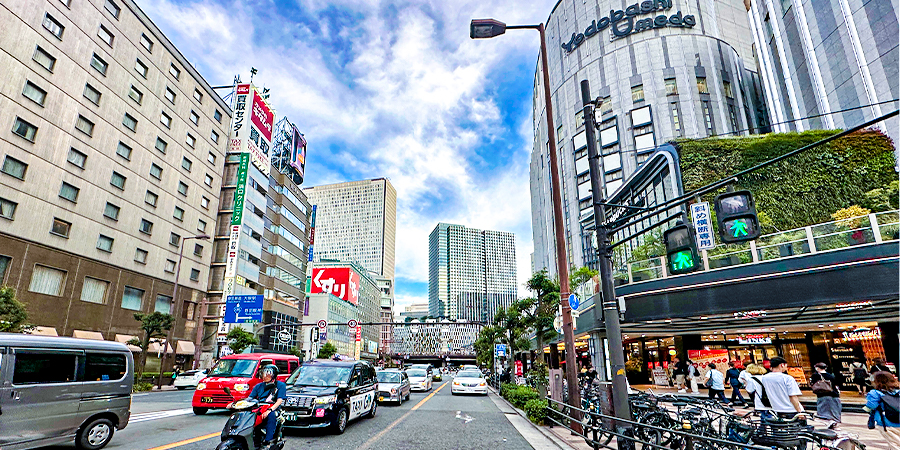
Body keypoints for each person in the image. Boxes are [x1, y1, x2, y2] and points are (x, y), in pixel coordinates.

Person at [231, 364, 286, 446]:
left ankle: (268, 440)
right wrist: (235, 404)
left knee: (271, 415)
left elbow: (279, 401)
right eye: (263, 373)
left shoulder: (280, 385)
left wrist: (270, 410)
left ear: (273, 375)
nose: (265, 376)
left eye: (268, 374)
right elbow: (250, 398)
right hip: (259, 407)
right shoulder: (258, 386)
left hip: (273, 408)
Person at [865, 371, 900, 446]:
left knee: (895, 445)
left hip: (887, 423)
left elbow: (871, 406)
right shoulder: (898, 391)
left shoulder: (875, 393)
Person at [810, 362, 841, 429]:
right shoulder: (830, 376)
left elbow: (812, 384)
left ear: (817, 368)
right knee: (834, 411)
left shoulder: (815, 375)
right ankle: (833, 423)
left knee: (823, 411)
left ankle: (829, 422)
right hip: (833, 395)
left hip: (822, 395)